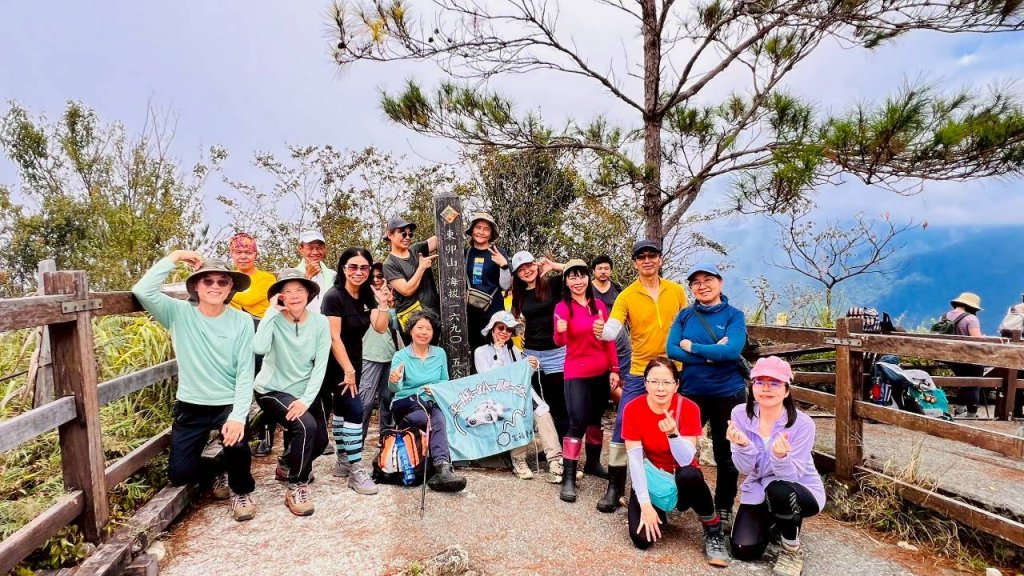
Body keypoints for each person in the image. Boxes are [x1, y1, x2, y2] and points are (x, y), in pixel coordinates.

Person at [131, 251, 257, 521]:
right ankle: (219, 468)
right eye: (207, 281)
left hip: (227, 401)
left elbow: (246, 371)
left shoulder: (242, 321)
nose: (214, 286)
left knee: (237, 445)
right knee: (180, 474)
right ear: (195, 286)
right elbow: (142, 290)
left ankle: (241, 490)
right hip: (192, 403)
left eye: (222, 282)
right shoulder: (177, 313)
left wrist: (238, 416)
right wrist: (175, 256)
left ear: (231, 288)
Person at [595, 239, 688, 513]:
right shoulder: (627, 295)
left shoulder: (677, 291)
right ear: (635, 263)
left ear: (659, 259)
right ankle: (615, 486)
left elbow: (686, 322)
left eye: (652, 255)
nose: (647, 260)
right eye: (641, 257)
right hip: (639, 371)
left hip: (674, 369)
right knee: (624, 422)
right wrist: (603, 330)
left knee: (672, 424)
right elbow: (614, 326)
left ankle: (666, 484)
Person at [622, 357, 729, 567]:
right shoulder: (633, 409)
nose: (660, 388)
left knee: (690, 473)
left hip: (683, 481)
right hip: (654, 477)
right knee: (641, 539)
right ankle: (657, 509)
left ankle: (713, 529)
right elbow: (635, 461)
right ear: (645, 383)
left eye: (667, 382)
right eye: (654, 381)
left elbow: (686, 458)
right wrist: (645, 505)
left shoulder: (688, 408)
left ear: (677, 384)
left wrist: (673, 434)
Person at [666, 263, 748, 525]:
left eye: (708, 279)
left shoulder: (734, 316)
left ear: (720, 282)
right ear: (691, 288)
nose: (703, 286)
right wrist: (713, 354)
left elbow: (732, 351)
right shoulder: (685, 316)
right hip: (692, 393)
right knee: (679, 447)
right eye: (696, 282)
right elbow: (672, 350)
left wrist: (694, 348)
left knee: (726, 453)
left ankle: (723, 505)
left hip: (729, 393)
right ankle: (679, 494)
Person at [728, 356, 825, 576]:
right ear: (752, 386)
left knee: (778, 489)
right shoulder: (739, 414)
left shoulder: (802, 424)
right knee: (743, 549)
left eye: (774, 383)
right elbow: (743, 469)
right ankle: (776, 522)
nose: (766, 388)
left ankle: (791, 548)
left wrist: (780, 457)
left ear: (787, 390)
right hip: (757, 488)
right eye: (760, 382)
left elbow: (792, 475)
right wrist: (743, 445)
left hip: (799, 488)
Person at [252, 269, 331, 516]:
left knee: (321, 441)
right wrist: (270, 312)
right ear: (279, 296)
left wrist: (306, 399)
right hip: (272, 389)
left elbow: (320, 366)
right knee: (306, 426)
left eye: (299, 290)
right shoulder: (273, 320)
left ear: (309, 293)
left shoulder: (320, 323)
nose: (294, 296)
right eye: (286, 291)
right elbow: (259, 347)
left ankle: (287, 462)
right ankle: (297, 485)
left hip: (304, 390)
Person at [320, 247, 391, 495]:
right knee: (354, 410)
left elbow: (380, 328)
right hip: (333, 362)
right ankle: (356, 470)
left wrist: (382, 304)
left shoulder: (366, 296)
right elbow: (333, 338)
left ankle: (342, 461)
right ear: (343, 269)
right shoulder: (334, 297)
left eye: (364, 267)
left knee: (341, 410)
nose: (358, 272)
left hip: (355, 360)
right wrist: (348, 371)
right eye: (353, 267)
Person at [552, 259, 620, 503]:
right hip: (576, 372)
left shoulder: (600, 305)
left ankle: (593, 463)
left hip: (601, 372)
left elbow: (609, 339)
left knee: (595, 420)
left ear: (588, 279)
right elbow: (559, 342)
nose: (577, 281)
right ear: (566, 282)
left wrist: (614, 369)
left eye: (581, 276)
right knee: (577, 421)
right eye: (572, 277)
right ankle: (569, 478)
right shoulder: (562, 307)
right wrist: (561, 329)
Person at [474, 311, 565, 482]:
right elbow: (487, 378)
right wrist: (499, 354)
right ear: (492, 329)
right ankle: (519, 460)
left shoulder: (515, 351)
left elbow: (524, 376)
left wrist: (530, 365)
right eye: (501, 327)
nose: (504, 332)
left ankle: (555, 459)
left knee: (543, 413)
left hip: (520, 392)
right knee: (517, 414)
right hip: (497, 397)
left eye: (509, 330)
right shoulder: (481, 352)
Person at [388, 311, 468, 492]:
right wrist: (394, 379)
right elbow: (395, 389)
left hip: (430, 402)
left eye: (428, 329)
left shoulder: (439, 353)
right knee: (429, 418)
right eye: (420, 328)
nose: (424, 332)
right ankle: (439, 465)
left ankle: (442, 468)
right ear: (411, 330)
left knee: (438, 417)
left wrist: (435, 388)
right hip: (406, 403)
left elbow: (444, 381)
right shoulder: (401, 356)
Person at [226, 232, 278, 457]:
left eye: (248, 252)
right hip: (233, 339)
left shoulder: (266, 279)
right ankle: (241, 436)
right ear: (231, 253)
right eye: (238, 252)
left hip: (260, 337)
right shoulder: (225, 277)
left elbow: (247, 299)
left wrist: (226, 292)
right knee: (238, 388)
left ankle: (267, 436)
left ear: (256, 254)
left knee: (264, 388)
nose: (243, 256)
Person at [510, 251, 569, 439]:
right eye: (521, 270)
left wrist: (554, 265)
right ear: (517, 274)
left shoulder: (553, 284)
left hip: (556, 352)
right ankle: (550, 447)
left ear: (536, 265)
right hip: (531, 353)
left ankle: (564, 450)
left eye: (529, 266)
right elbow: (513, 321)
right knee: (540, 403)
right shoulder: (519, 295)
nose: (526, 271)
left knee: (559, 402)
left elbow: (578, 272)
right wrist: (520, 339)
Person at [358, 262, 402, 441]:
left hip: (390, 355)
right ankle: (357, 443)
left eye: (380, 276)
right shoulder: (362, 299)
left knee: (387, 398)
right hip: (369, 355)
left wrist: (391, 304)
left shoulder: (393, 297)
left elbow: (397, 326)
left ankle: (386, 438)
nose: (377, 280)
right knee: (365, 401)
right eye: (373, 276)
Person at [464, 212, 513, 352]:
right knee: (476, 351)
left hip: (494, 310)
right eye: (478, 227)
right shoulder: (465, 253)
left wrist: (504, 266)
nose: (481, 232)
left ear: (491, 233)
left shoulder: (498, 252)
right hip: (471, 313)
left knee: (497, 349)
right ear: (472, 230)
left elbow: (505, 286)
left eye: (486, 229)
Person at [382, 216, 439, 334]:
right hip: (411, 320)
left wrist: (449, 217)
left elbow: (440, 239)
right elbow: (406, 290)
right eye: (403, 234)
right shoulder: (389, 264)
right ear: (390, 235)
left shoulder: (417, 249)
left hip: (433, 315)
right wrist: (422, 267)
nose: (407, 237)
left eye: (410, 234)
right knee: (415, 352)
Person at [940, 292, 985, 419]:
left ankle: (959, 410)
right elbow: (977, 340)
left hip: (949, 357)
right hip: (967, 357)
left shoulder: (944, 316)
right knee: (975, 381)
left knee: (965, 380)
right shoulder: (971, 318)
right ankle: (971, 414)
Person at [591, 254, 632, 379]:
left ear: (611, 271)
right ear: (593, 271)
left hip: (619, 338)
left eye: (606, 268)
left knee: (623, 377)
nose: (603, 271)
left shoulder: (617, 289)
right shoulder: (586, 288)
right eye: (600, 268)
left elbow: (627, 313)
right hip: (595, 337)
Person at [293, 230, 336, 312]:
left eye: (319, 248)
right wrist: (307, 277)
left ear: (324, 249)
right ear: (300, 249)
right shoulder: (292, 275)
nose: (315, 252)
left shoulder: (333, 275)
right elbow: (291, 302)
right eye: (310, 248)